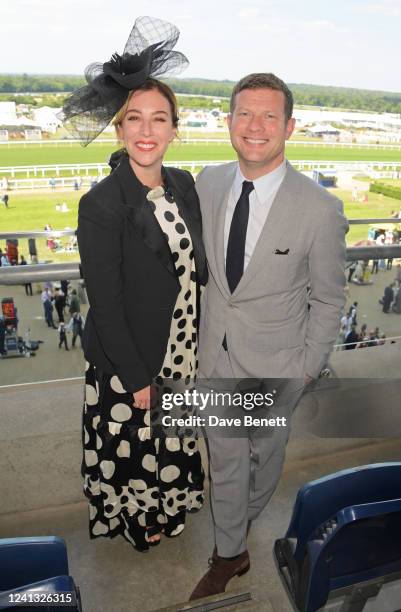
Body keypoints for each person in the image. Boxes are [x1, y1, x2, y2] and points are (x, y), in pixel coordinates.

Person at [190, 72, 347, 599]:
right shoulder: (207, 182)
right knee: (227, 461)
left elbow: (328, 298)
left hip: (277, 365)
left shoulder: (320, 209)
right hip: (215, 355)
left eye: (268, 116)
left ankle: (239, 521)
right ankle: (228, 553)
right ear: (229, 121)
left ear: (290, 126)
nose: (255, 127)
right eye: (244, 114)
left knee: (265, 460)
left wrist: (303, 370)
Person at [61, 17, 207, 552]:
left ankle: (171, 503)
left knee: (170, 443)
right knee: (136, 446)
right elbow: (107, 305)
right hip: (132, 363)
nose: (147, 131)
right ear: (121, 129)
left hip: (182, 352)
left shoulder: (184, 184)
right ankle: (138, 517)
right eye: (135, 119)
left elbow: (194, 267)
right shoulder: (100, 204)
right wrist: (139, 377)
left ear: (174, 129)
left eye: (159, 119)